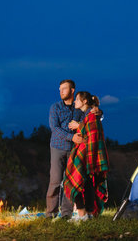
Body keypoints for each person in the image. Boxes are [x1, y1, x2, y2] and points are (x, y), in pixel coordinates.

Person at [64, 91, 109, 222]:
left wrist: (79, 126)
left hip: (85, 153)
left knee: (76, 180)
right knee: (87, 182)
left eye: (77, 100)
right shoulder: (87, 114)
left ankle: (83, 213)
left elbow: (92, 136)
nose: (74, 102)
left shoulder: (92, 115)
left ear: (84, 101)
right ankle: (87, 213)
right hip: (83, 152)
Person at [46, 79, 84, 220]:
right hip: (57, 147)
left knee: (70, 182)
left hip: (74, 150)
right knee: (55, 181)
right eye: (60, 89)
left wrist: (100, 112)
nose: (61, 91)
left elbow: (93, 117)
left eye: (64, 88)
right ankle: (51, 213)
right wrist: (71, 137)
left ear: (72, 90)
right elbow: (54, 128)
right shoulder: (55, 107)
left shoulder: (79, 108)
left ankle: (66, 214)